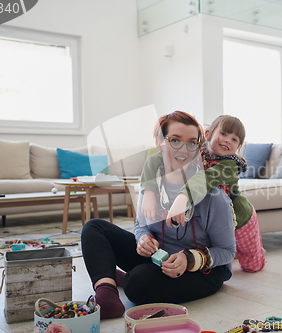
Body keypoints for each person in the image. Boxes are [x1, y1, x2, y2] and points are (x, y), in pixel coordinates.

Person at [81, 111, 236, 319]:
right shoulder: (151, 187)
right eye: (175, 140)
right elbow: (141, 225)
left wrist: (189, 258)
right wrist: (143, 239)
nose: (184, 149)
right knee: (94, 228)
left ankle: (126, 279)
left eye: (192, 143)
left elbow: (227, 251)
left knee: (137, 284)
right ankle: (106, 293)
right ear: (158, 142)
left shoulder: (214, 196)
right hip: (157, 258)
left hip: (203, 270)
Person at [140, 115, 266, 273]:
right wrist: (149, 191)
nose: (228, 140)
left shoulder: (230, 165)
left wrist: (183, 197)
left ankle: (259, 255)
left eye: (235, 139)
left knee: (252, 265)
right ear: (208, 134)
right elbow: (156, 159)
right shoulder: (196, 151)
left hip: (239, 216)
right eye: (224, 134)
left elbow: (205, 179)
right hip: (214, 217)